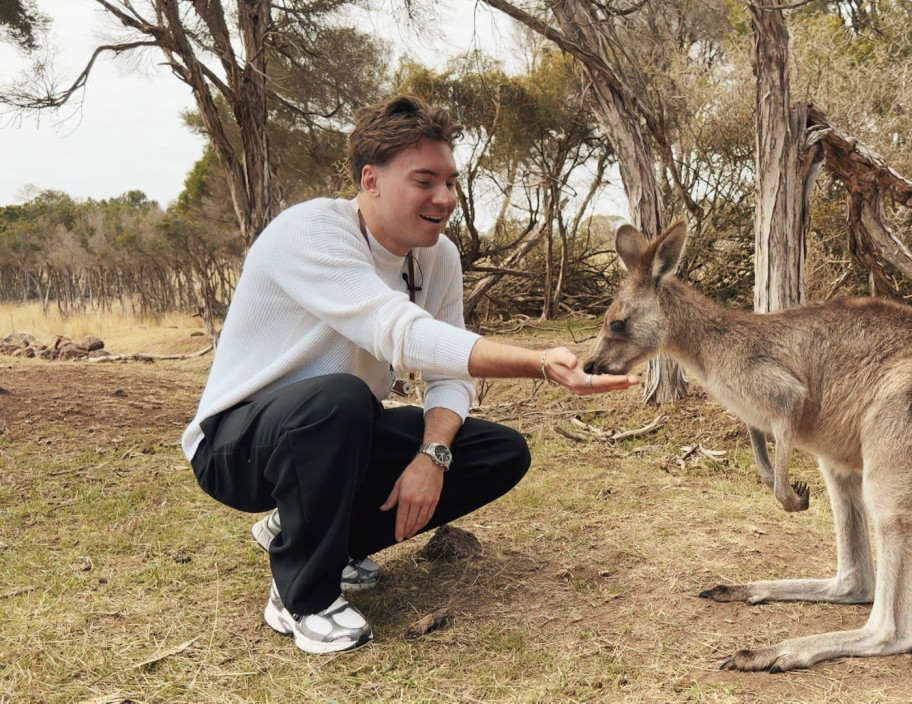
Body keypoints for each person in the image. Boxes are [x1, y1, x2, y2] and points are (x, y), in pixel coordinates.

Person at [181, 95, 638, 654]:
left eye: (450, 182)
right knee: (341, 399)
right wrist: (538, 362)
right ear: (370, 180)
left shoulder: (438, 257)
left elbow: (448, 373)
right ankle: (302, 595)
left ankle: (312, 535)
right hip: (238, 446)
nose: (444, 198)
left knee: (497, 451)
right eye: (425, 181)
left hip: (339, 434)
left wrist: (432, 455)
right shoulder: (310, 231)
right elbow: (400, 332)